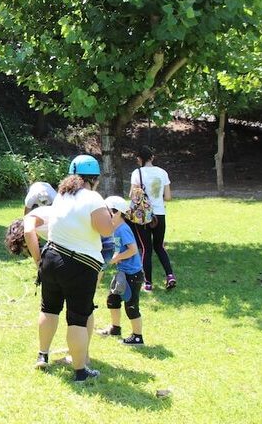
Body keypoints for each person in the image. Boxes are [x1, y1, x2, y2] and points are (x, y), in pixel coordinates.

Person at [31, 155, 120, 383]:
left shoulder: (61, 195)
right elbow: (106, 230)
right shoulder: (93, 197)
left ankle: (43, 355)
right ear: (95, 179)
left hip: (50, 258)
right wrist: (118, 218)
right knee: (78, 318)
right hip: (80, 264)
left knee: (49, 309)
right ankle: (80, 371)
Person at [98, 196, 145, 346]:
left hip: (132, 274)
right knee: (113, 299)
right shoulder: (114, 228)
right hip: (122, 273)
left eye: (107, 211)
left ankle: (137, 337)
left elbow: (132, 250)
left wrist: (115, 258)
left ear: (117, 212)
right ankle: (115, 328)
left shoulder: (123, 229)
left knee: (131, 305)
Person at [130, 146, 175, 291]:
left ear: (139, 159)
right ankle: (170, 275)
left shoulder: (137, 173)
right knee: (159, 246)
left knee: (146, 248)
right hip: (160, 214)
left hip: (143, 216)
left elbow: (133, 196)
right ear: (152, 157)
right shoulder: (163, 173)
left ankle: (148, 283)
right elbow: (168, 197)